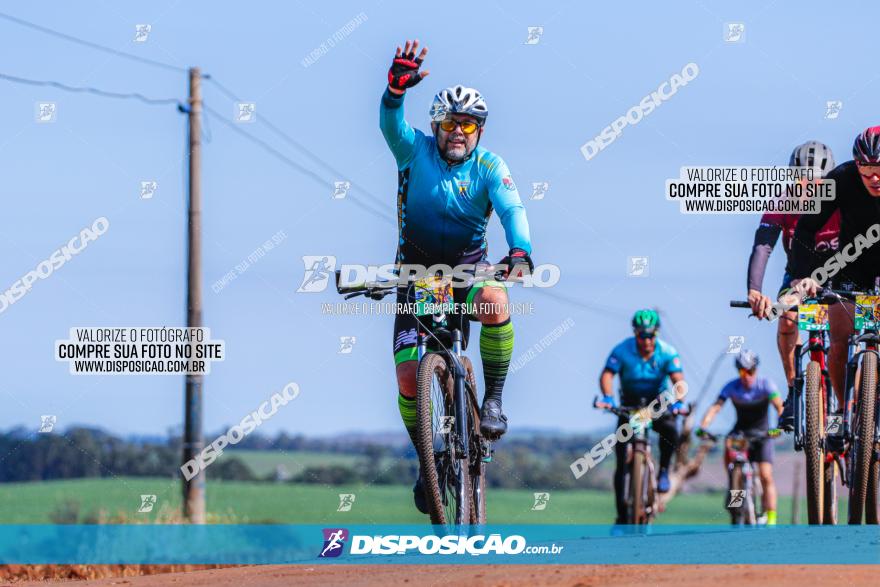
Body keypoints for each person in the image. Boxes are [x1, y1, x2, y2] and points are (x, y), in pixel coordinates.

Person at [380, 40, 533, 513]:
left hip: (468, 269)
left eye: (468, 124)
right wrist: (393, 91)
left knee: (496, 302)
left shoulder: (490, 166)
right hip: (418, 273)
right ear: (435, 126)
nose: (458, 132)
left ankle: (493, 401)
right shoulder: (413, 151)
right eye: (449, 123)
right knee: (410, 375)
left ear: (480, 129)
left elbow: (512, 208)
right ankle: (428, 458)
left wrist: (521, 250)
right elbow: (390, 124)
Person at [746, 141, 838, 430]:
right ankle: (795, 388)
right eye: (800, 179)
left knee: (856, 331)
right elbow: (763, 246)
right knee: (786, 319)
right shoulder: (782, 203)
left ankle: (854, 401)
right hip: (797, 276)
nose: (807, 187)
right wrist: (754, 289)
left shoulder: (843, 204)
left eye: (815, 182)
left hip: (843, 275)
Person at [788, 127, 880, 410]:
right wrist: (802, 276)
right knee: (839, 339)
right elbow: (805, 229)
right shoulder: (840, 179)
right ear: (856, 165)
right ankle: (842, 409)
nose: (874, 178)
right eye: (866, 171)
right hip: (853, 265)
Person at [596, 309, 688, 524]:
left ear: (656, 334)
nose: (646, 341)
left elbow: (678, 380)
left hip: (657, 404)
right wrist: (608, 397)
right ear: (635, 333)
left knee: (671, 429)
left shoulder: (667, 352)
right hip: (629, 405)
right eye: (641, 335)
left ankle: (664, 470)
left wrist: (679, 401)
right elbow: (607, 374)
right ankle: (621, 516)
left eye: (650, 336)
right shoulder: (622, 350)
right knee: (620, 462)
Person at [696, 350, 783, 525]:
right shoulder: (732, 387)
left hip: (762, 433)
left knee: (766, 475)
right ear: (738, 371)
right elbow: (716, 407)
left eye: (750, 371)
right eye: (743, 371)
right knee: (729, 445)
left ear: (756, 370)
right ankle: (734, 485)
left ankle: (771, 519)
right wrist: (703, 426)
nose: (747, 376)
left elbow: (779, 406)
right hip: (741, 433)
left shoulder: (766, 385)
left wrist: (779, 426)